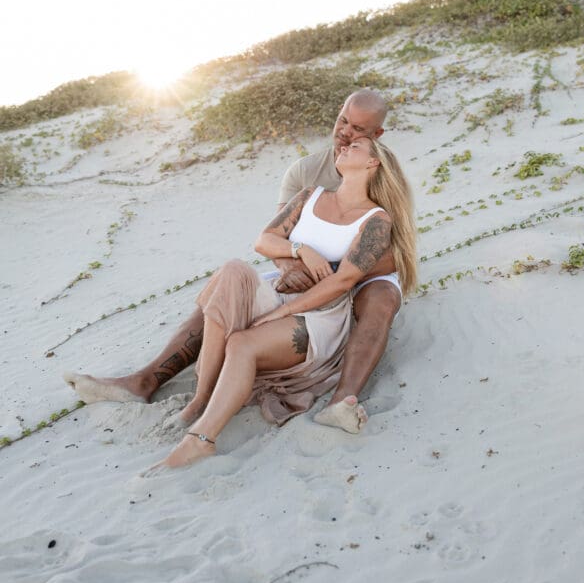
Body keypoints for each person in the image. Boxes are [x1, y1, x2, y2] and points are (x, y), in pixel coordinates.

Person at [64, 89, 404, 433]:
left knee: (381, 299)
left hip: (361, 274)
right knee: (226, 290)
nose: (345, 132)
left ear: (377, 136)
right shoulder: (304, 173)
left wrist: (332, 273)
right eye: (342, 120)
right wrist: (293, 265)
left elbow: (391, 256)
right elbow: (277, 241)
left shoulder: (380, 173)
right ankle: (146, 381)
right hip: (305, 266)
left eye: (358, 130)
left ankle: (342, 401)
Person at [147, 136, 416, 471]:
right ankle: (201, 398)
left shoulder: (376, 220)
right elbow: (264, 241)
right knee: (232, 271)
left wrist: (286, 310)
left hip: (320, 312)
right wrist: (300, 248)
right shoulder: (310, 196)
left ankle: (201, 440)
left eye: (356, 147)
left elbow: (344, 280)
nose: (345, 147)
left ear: (373, 163)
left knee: (242, 343)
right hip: (281, 291)